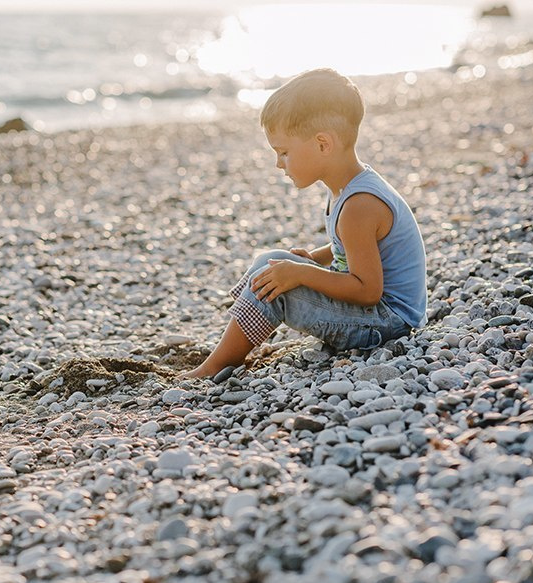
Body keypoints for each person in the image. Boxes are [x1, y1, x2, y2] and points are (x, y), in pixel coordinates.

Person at [183, 68, 427, 379]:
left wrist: (303, 274)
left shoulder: (359, 206)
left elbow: (368, 291)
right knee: (270, 263)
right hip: (379, 313)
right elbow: (350, 245)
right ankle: (242, 331)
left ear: (323, 144)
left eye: (283, 152)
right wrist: (315, 259)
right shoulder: (349, 186)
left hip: (386, 323)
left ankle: (216, 365)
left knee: (280, 289)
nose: (278, 163)